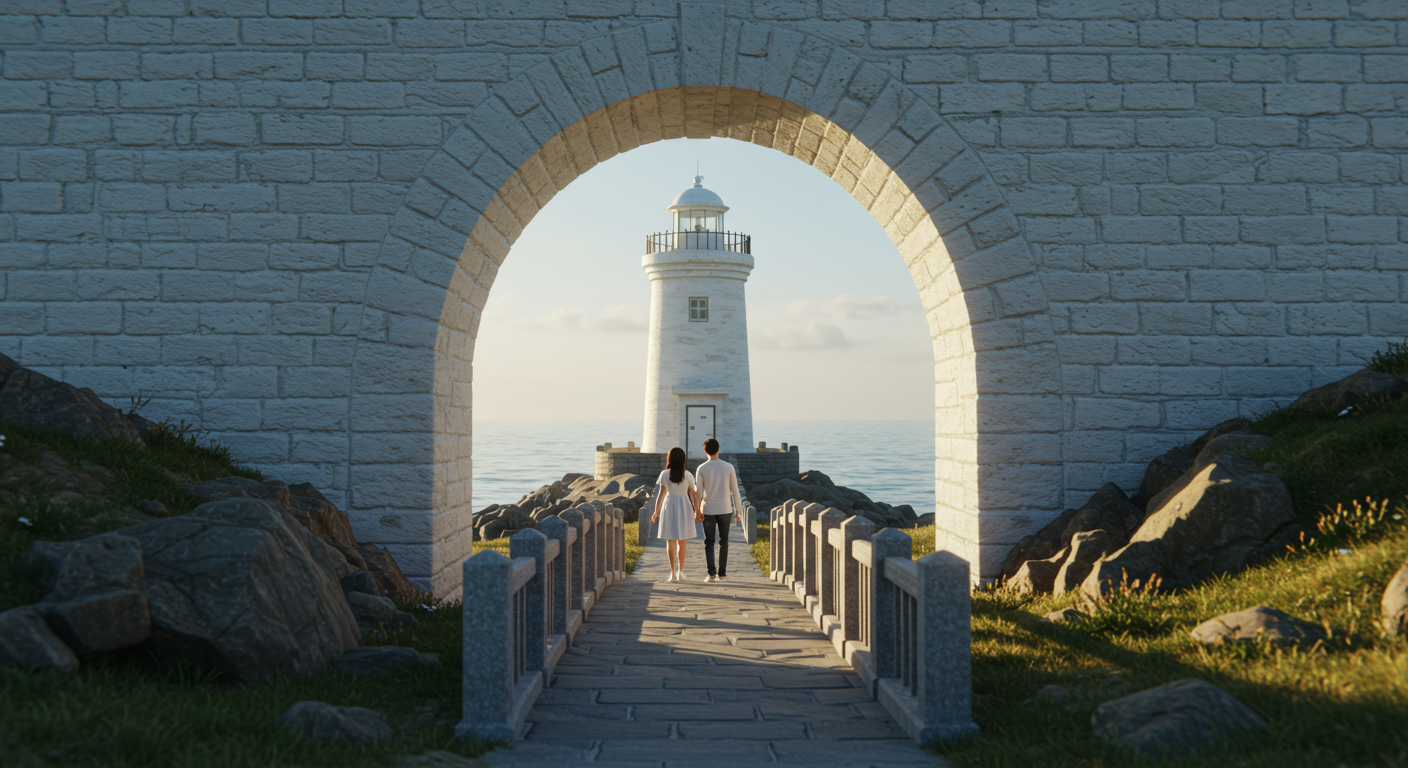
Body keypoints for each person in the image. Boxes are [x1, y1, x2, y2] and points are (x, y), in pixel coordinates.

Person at [694, 438, 744, 583]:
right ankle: (722, 574)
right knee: (724, 541)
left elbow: (698, 493)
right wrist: (738, 511)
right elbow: (735, 491)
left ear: (705, 451)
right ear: (718, 449)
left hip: (708, 509)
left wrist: (696, 510)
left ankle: (711, 575)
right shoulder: (728, 467)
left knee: (709, 542)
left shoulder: (702, 468)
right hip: (725, 509)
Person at [650, 447, 701, 583]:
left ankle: (672, 573)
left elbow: (661, 495)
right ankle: (680, 572)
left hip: (669, 504)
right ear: (683, 459)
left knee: (670, 540)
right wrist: (697, 511)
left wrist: (656, 512)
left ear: (670, 459)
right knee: (682, 540)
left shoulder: (664, 474)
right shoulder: (688, 475)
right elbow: (693, 495)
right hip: (684, 504)